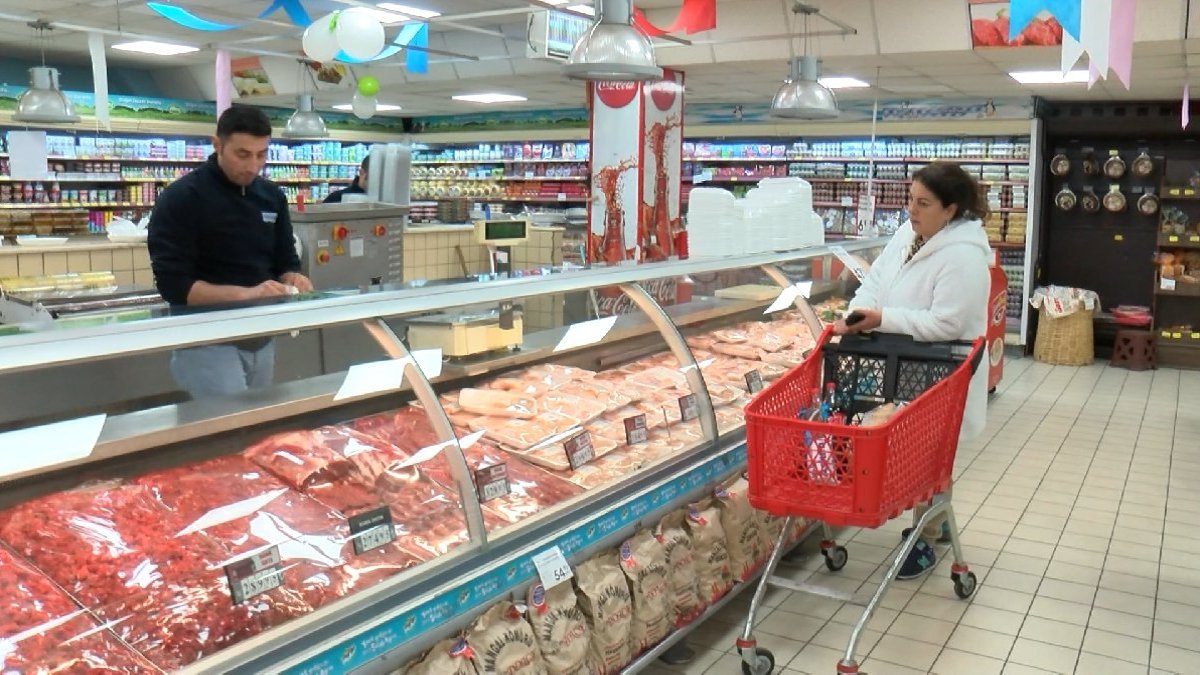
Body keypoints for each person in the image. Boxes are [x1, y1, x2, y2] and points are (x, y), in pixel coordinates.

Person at [833, 162, 991, 580]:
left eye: (923, 203)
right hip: (900, 360)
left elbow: (948, 324)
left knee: (930, 453)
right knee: (912, 448)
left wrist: (882, 318)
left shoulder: (964, 255)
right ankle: (936, 520)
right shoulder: (908, 234)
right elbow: (875, 281)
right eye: (910, 199)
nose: (911, 210)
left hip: (942, 367)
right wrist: (857, 312)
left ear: (950, 210)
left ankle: (927, 533)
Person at [148, 104, 313, 399]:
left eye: (261, 155)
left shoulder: (272, 197)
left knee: (260, 422)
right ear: (217, 144)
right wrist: (249, 294)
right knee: (230, 423)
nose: (253, 166)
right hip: (206, 341)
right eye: (243, 154)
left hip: (262, 337)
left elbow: (285, 260)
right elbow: (175, 286)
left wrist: (293, 277)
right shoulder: (182, 198)